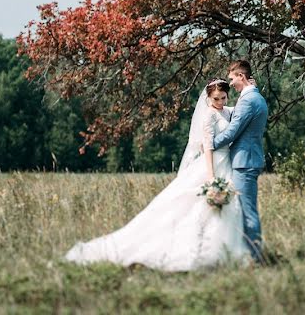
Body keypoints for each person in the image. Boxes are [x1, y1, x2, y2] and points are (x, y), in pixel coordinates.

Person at [63, 79, 250, 271]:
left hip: (227, 163)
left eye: (223, 98)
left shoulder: (227, 110)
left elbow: (243, 107)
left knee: (226, 209)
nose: (219, 102)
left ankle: (219, 252)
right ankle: (195, 251)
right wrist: (211, 177)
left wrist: (249, 88)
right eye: (215, 99)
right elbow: (208, 146)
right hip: (211, 165)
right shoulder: (209, 115)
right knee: (193, 205)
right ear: (208, 98)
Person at [206, 59, 269, 263]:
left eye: (232, 78)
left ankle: (256, 258)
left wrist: (210, 144)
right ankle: (249, 254)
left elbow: (233, 131)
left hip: (245, 162)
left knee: (247, 210)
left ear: (241, 76)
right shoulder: (253, 97)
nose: (230, 83)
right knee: (244, 208)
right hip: (248, 159)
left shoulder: (249, 100)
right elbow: (233, 115)